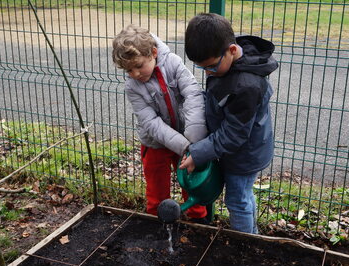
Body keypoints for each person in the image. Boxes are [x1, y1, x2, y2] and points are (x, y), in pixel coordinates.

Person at [179, 13, 278, 233]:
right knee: (243, 195)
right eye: (202, 68)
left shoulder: (246, 85)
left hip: (245, 154)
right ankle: (253, 235)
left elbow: (234, 134)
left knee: (237, 200)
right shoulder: (226, 58)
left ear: (232, 50)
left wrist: (199, 152)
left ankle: (244, 244)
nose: (208, 72)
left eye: (211, 67)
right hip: (239, 150)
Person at [112, 25, 208, 222]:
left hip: (187, 137)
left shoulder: (173, 63)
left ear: (153, 53)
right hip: (155, 143)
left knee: (193, 183)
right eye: (129, 70)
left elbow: (193, 95)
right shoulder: (132, 86)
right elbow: (150, 122)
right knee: (156, 190)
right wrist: (184, 145)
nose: (135, 74)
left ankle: (199, 222)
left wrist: (194, 140)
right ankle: (158, 224)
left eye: (139, 66)